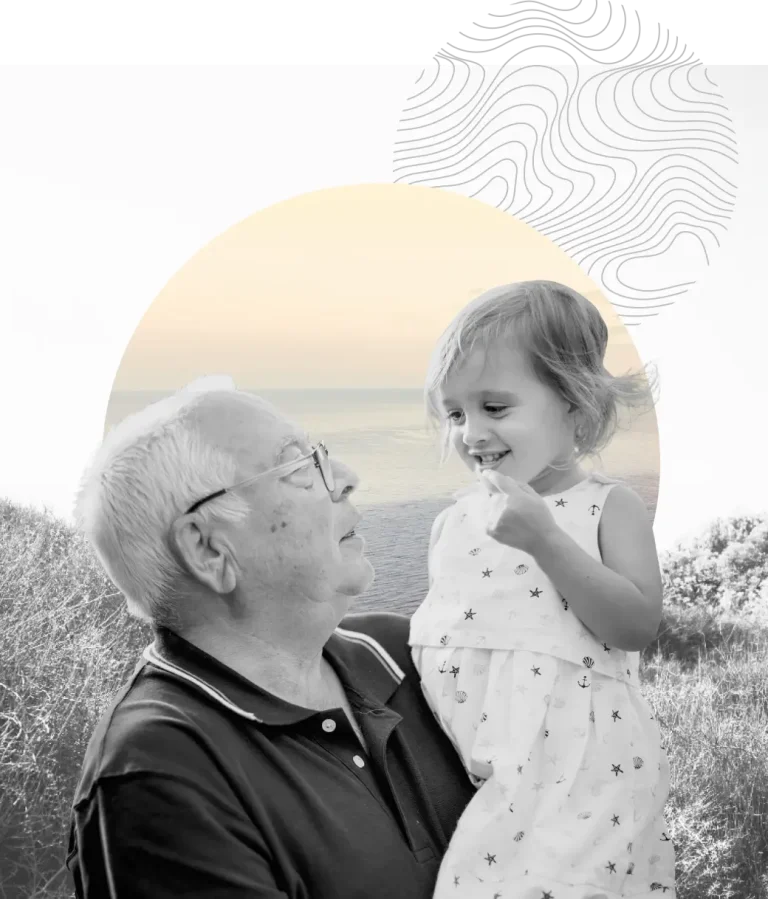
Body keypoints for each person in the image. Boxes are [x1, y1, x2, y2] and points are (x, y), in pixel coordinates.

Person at [65, 376, 475, 899]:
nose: (347, 478)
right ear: (208, 550)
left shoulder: (408, 652)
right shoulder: (160, 774)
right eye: (301, 467)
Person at [409, 282, 676, 898]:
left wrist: (546, 542)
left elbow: (635, 625)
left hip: (584, 774)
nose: (470, 433)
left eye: (495, 408)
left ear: (576, 407)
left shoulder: (607, 507)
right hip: (482, 771)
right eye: (455, 413)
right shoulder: (454, 522)